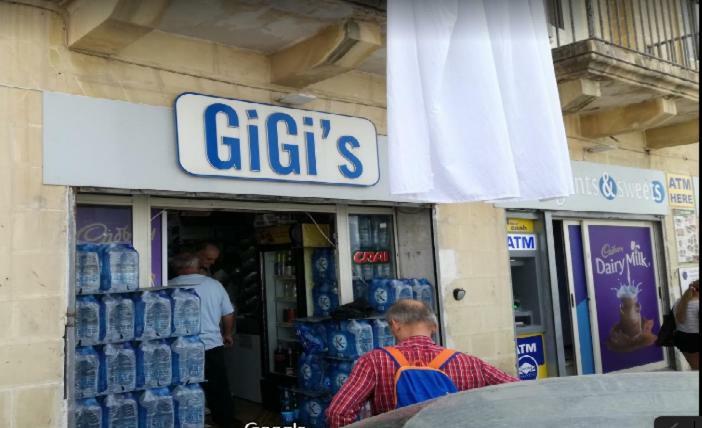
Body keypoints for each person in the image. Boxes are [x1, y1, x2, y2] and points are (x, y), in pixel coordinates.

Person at [326, 300, 518, 427]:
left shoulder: (374, 361)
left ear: (395, 324)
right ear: (433, 326)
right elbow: (518, 391)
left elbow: (338, 413)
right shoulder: (468, 362)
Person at [169, 252, 237, 427]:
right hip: (211, 346)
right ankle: (224, 421)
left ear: (177, 268)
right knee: (219, 389)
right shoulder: (214, 285)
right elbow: (228, 313)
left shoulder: (167, 286)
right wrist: (227, 334)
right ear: (197, 265)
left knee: (183, 389)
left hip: (179, 348)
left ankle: (187, 422)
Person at [673, 279, 699, 370]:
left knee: (694, 367)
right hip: (695, 339)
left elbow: (676, 322)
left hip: (682, 338)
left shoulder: (678, 302)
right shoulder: (697, 304)